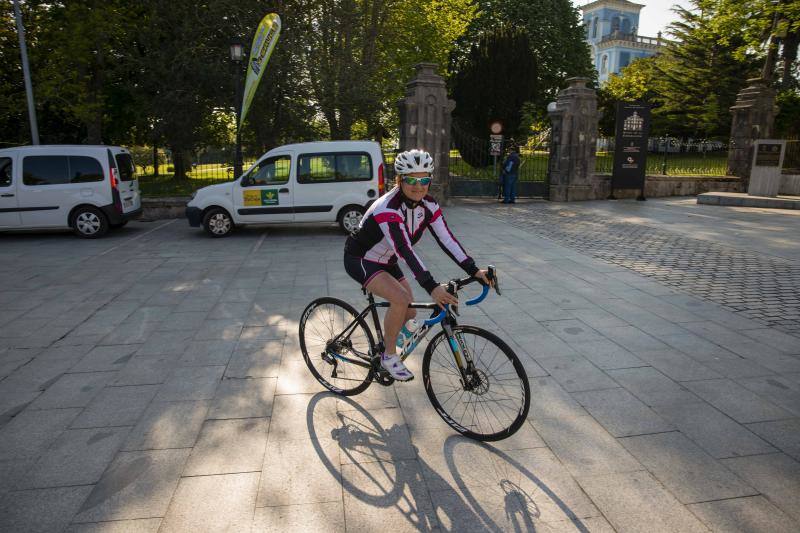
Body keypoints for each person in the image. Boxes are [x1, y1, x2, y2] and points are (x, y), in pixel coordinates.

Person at [343, 149, 492, 381]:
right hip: (361, 259)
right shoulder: (387, 208)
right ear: (400, 180)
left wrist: (474, 270)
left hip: (387, 259)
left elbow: (447, 239)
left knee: (410, 311)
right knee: (400, 300)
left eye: (424, 180)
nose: (418, 186)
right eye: (411, 180)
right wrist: (432, 287)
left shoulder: (429, 205)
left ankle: (389, 339)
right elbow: (405, 250)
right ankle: (388, 356)